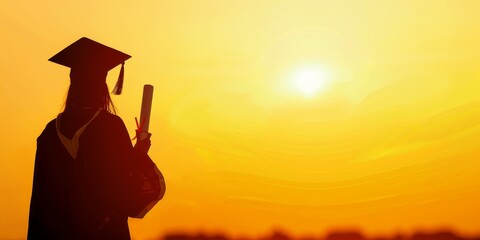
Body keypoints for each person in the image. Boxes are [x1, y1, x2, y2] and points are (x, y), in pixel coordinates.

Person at [28, 37, 166, 240]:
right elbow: (124, 192)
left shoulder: (49, 133)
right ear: (101, 85)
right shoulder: (109, 127)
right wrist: (139, 154)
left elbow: (40, 200)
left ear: (73, 83)